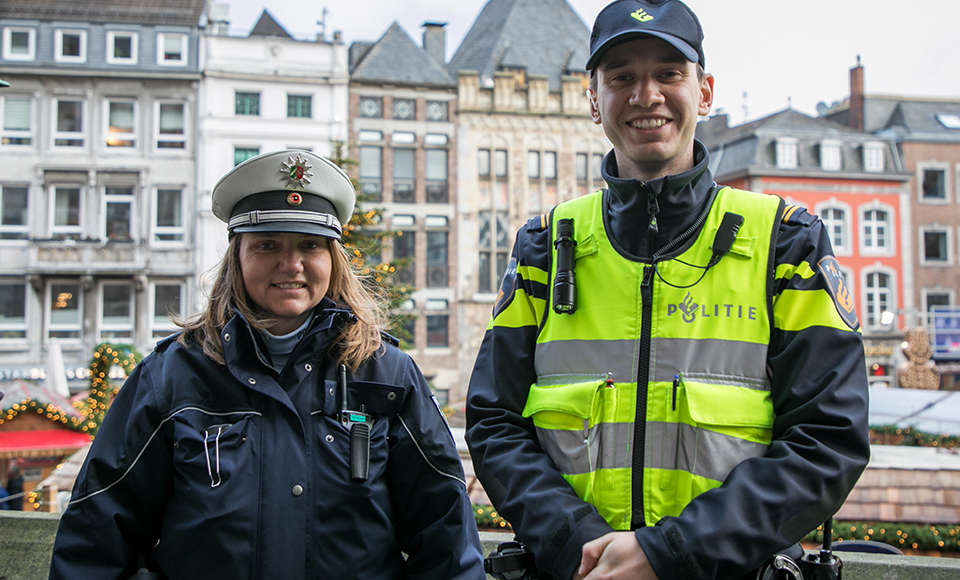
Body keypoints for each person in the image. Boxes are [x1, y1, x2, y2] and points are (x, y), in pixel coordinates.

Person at [465, 1, 870, 579]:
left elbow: (829, 438)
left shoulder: (786, 241)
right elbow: (493, 422)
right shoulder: (545, 245)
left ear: (704, 93)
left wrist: (669, 555)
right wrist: (581, 546)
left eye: (669, 73)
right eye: (622, 76)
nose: (646, 94)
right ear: (593, 99)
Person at [49, 150, 486, 580]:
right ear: (237, 258)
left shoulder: (386, 376)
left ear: (332, 260)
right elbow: (97, 534)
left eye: (310, 245)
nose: (291, 264)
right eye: (267, 244)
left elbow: (446, 538)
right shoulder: (170, 378)